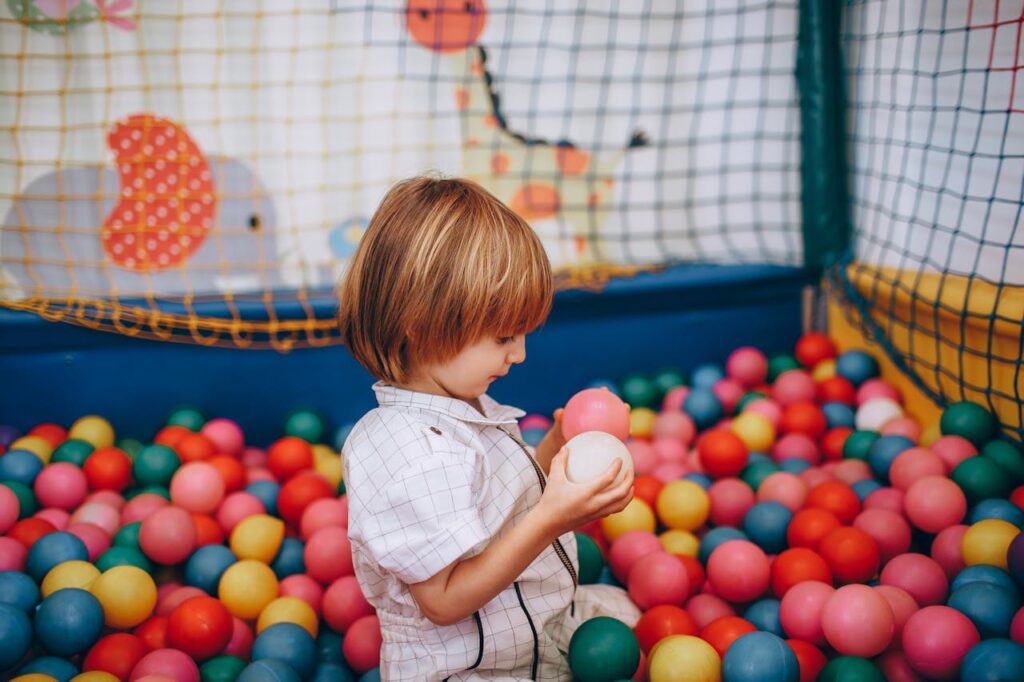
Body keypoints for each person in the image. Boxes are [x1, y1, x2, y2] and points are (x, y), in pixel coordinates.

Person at [338, 175, 638, 681]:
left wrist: (556, 447)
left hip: (531, 629)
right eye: (503, 337)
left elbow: (498, 502)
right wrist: (552, 520)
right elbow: (444, 601)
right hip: (469, 669)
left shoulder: (459, 400)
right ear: (422, 326)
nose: (520, 354)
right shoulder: (411, 453)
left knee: (632, 615)